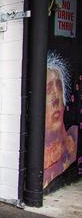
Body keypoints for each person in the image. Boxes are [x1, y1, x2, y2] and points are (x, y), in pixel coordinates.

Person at [43, 51, 78, 188]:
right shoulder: (42, 158)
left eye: (59, 86)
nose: (55, 98)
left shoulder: (73, 140)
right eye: (48, 90)